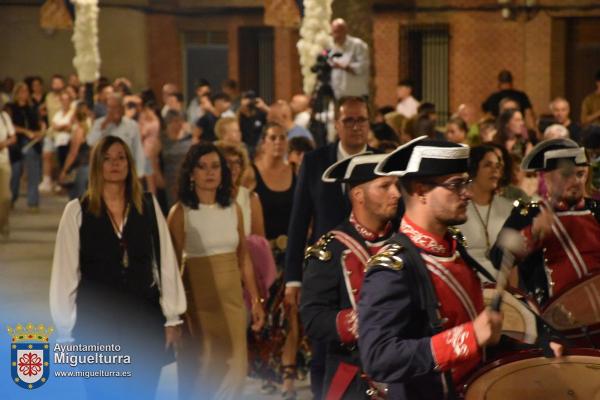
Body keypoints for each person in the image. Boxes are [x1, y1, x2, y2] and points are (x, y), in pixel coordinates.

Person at [358, 136, 561, 399]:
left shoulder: (453, 249)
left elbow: (481, 338)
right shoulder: (394, 267)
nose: (467, 192)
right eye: (455, 185)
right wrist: (467, 337)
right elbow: (378, 357)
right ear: (420, 190)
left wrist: (535, 349)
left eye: (465, 182)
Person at [50, 136, 187, 399]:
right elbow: (65, 275)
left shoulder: (148, 206)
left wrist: (172, 318)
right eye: (107, 158)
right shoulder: (76, 211)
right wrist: (65, 333)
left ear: (130, 164)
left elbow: (164, 262)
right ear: (97, 165)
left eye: (121, 158)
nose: (115, 164)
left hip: (143, 319)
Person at [284, 96, 373, 399]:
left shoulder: (382, 164)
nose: (356, 126)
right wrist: (293, 278)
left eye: (361, 119)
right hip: (324, 273)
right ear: (337, 124)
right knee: (323, 352)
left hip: (369, 271)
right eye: (349, 120)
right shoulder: (315, 161)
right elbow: (298, 223)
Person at [167, 142, 265, 399]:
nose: (209, 173)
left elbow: (243, 258)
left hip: (232, 302)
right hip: (197, 304)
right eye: (202, 167)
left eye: (215, 167)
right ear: (191, 173)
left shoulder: (233, 209)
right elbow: (172, 267)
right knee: (203, 370)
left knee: (236, 371)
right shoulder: (180, 213)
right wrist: (173, 315)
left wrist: (255, 300)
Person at [300, 153, 399, 399]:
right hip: (354, 378)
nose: (396, 193)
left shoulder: (405, 242)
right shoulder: (330, 248)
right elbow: (312, 318)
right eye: (385, 186)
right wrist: (358, 322)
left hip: (403, 375)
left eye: (396, 185)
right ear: (358, 195)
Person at [491, 138, 600, 307]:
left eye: (580, 174)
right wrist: (531, 232)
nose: (576, 181)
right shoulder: (527, 213)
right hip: (552, 321)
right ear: (546, 178)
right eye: (566, 175)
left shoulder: (596, 210)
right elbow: (498, 257)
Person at [251, 123, 302, 397]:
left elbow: (305, 211)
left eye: (283, 138)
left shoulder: (295, 171)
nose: (279, 142)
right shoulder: (253, 172)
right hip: (263, 255)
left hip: (291, 253)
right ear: (264, 142)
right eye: (273, 137)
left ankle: (288, 375)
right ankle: (268, 367)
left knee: (291, 311)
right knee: (267, 315)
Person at [458, 145, 513, 281]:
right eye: (488, 165)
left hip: (502, 290)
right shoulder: (459, 207)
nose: (495, 170)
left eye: (498, 166)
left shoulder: (508, 208)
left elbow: (513, 260)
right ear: (473, 169)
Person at [87, 93, 147, 178]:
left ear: (122, 108)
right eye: (110, 107)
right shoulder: (99, 123)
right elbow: (90, 142)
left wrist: (139, 174)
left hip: (126, 172)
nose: (113, 110)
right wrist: (104, 126)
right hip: (104, 172)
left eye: (116, 107)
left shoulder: (132, 125)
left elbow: (138, 150)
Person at [7, 82, 43, 211]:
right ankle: (11, 197)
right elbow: (9, 126)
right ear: (16, 93)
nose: (24, 94)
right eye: (21, 91)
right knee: (15, 171)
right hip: (16, 143)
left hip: (31, 143)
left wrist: (39, 133)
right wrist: (25, 132)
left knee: (33, 169)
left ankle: (33, 202)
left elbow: (38, 125)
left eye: (26, 91)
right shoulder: (10, 108)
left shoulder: (31, 108)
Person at [329, 18, 370, 99]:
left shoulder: (358, 45)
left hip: (355, 95)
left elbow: (363, 66)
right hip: (337, 94)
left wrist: (343, 66)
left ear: (345, 31)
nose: (335, 36)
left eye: (337, 32)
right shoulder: (331, 47)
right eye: (333, 32)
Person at [59, 101, 92, 199]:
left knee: (77, 201)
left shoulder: (79, 130)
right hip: (86, 167)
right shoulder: (87, 128)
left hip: (80, 168)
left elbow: (73, 153)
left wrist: (64, 170)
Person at [0, 99, 16, 236]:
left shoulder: (4, 117)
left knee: (5, 196)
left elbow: (13, 137)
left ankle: (3, 223)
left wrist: (4, 143)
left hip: (3, 161)